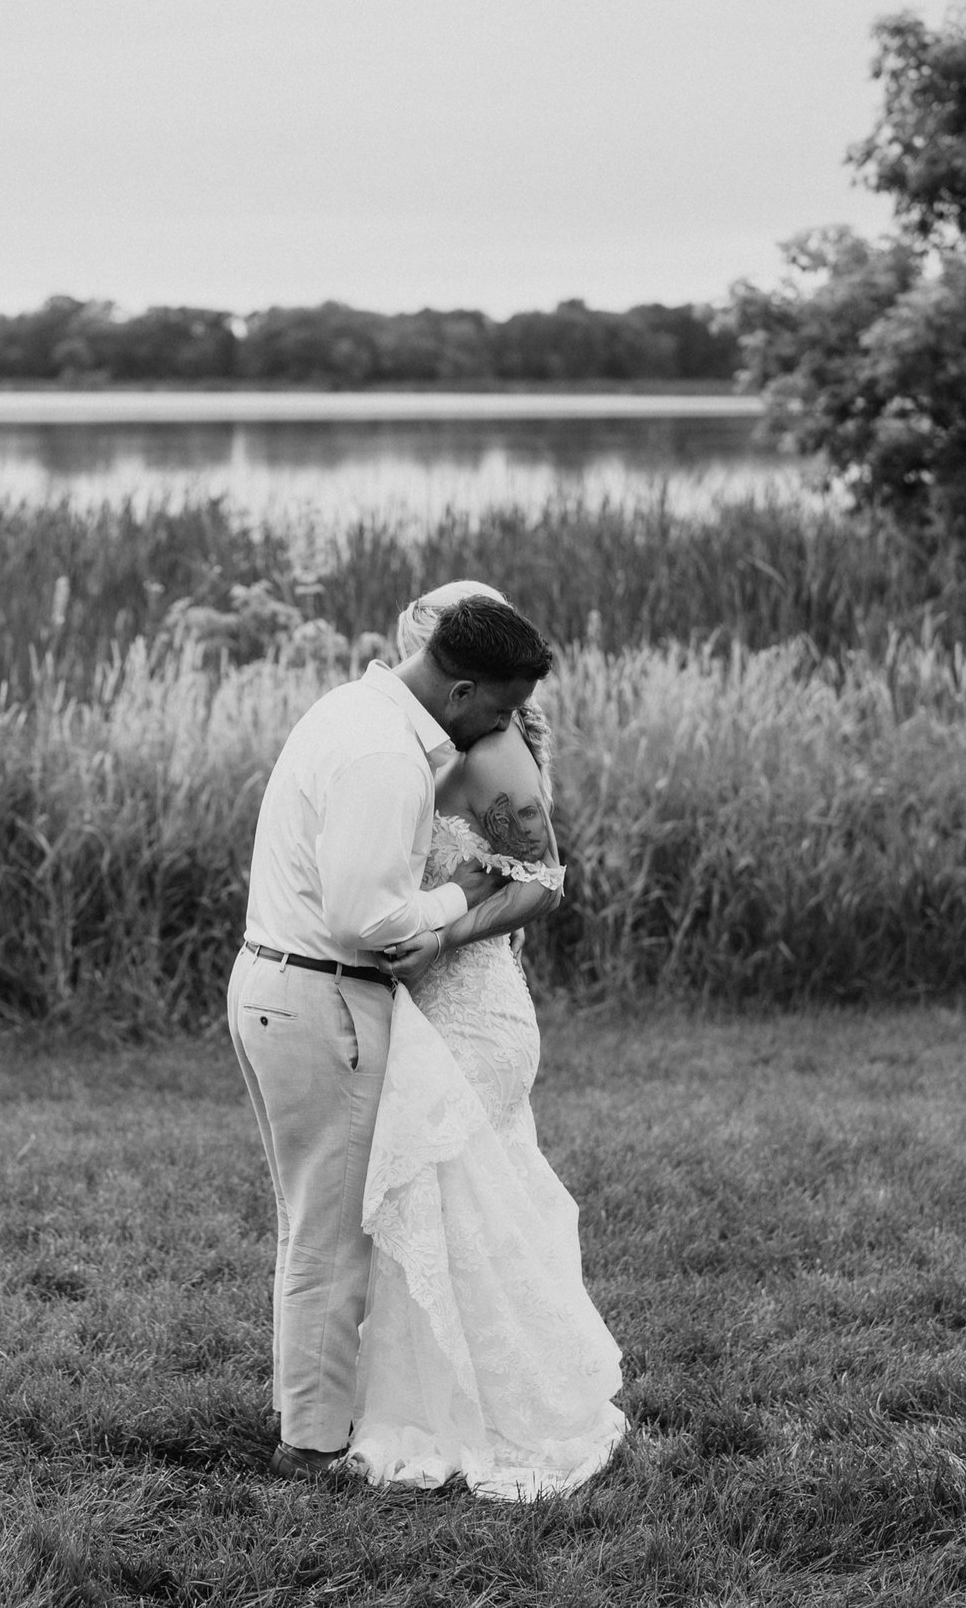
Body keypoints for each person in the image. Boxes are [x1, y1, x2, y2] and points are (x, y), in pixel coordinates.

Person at [228, 596, 546, 1480]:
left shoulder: (354, 711)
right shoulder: (384, 754)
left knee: (312, 1224)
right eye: (499, 706)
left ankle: (309, 1415)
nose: (503, 727)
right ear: (464, 686)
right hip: (322, 997)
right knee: (332, 1236)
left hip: (283, 986)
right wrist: (463, 895)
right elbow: (369, 917)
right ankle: (314, 1445)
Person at [344, 581, 626, 1498]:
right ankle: (421, 1400)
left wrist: (447, 932)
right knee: (437, 1201)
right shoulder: (414, 742)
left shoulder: (494, 746)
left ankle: (500, 1412)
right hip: (420, 1010)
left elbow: (544, 882)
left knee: (452, 1195)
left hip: (476, 1009)